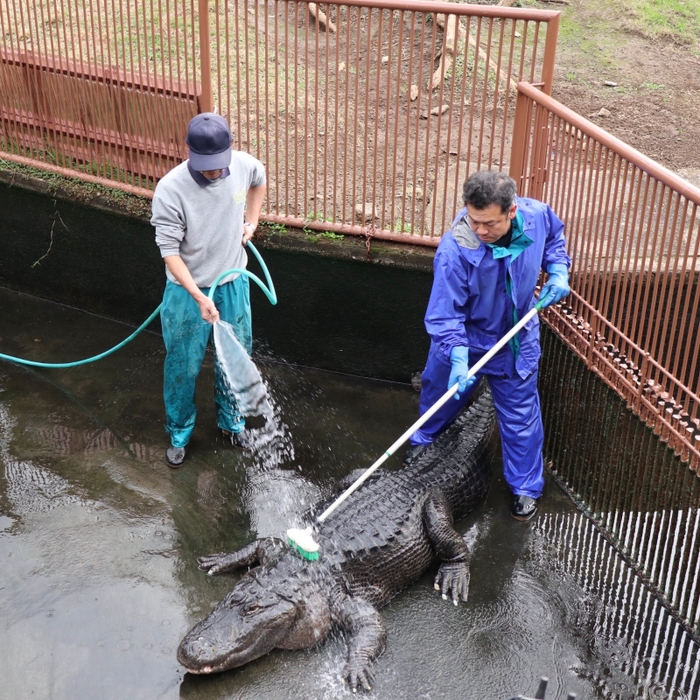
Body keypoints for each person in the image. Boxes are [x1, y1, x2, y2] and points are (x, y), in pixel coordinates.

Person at [408, 170, 570, 521]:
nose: (480, 231)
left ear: (512, 212)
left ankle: (525, 488)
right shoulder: (455, 250)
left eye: (489, 224)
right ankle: (422, 445)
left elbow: (555, 238)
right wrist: (458, 356)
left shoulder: (537, 217)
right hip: (464, 337)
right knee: (440, 399)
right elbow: (444, 313)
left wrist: (558, 269)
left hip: (515, 337)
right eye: (473, 220)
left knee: (521, 417)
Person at [151, 113, 267, 467]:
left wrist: (252, 220)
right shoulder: (171, 190)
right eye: (206, 166)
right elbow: (169, 252)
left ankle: (232, 423)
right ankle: (180, 432)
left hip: (233, 282)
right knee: (183, 365)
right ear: (189, 152)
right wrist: (199, 296)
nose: (214, 172)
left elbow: (259, 180)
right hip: (187, 293)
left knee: (235, 357)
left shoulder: (244, 165)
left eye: (218, 165)